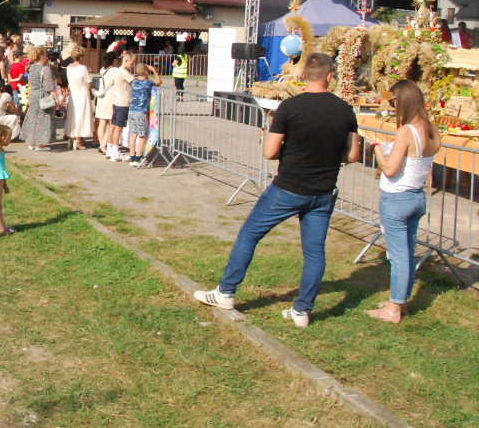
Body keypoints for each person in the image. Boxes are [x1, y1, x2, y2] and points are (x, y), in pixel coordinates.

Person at [193, 53, 363, 327]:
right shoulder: (345, 110)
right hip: (322, 191)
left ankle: (226, 292)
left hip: (288, 187)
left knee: (249, 234)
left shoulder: (289, 107)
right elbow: (354, 154)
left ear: (303, 75)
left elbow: (270, 152)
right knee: (315, 251)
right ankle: (302, 310)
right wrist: (331, 155)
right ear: (330, 76)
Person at [365, 80, 440, 324]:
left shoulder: (407, 131)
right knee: (407, 253)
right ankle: (400, 300)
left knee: (398, 256)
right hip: (417, 198)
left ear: (403, 101)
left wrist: (377, 149)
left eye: (393, 102)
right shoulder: (431, 129)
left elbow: (389, 169)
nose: (392, 107)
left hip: (396, 199)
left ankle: (394, 309)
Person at [20, 45, 57, 151]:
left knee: (33, 117)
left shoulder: (32, 67)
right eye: (45, 54)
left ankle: (32, 141)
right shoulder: (45, 69)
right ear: (41, 56)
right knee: (42, 118)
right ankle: (39, 143)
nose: (46, 56)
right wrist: (57, 98)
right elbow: (49, 86)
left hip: (33, 94)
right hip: (42, 96)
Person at [126, 63, 162, 166]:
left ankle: (132, 156)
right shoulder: (147, 83)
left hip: (132, 110)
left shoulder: (134, 82)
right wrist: (154, 71)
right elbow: (159, 82)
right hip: (141, 112)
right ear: (146, 72)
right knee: (142, 135)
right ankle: (137, 158)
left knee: (133, 134)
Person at [103, 52, 135, 162]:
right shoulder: (123, 72)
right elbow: (134, 81)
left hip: (117, 100)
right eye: (132, 63)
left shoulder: (116, 71)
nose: (133, 65)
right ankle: (115, 152)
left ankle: (110, 148)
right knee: (118, 127)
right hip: (123, 102)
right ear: (126, 61)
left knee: (113, 125)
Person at [64, 45, 93, 150]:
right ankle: (79, 140)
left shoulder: (68, 68)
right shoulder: (83, 68)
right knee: (82, 116)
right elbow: (88, 82)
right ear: (81, 57)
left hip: (73, 93)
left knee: (73, 116)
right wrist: (90, 92)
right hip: (82, 93)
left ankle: (71, 137)